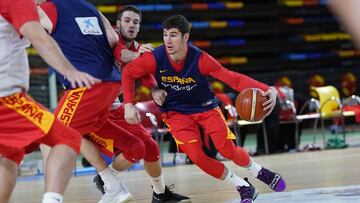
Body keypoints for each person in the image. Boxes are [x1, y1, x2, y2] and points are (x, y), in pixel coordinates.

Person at [122, 15, 287, 203]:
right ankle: (242, 186)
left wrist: (267, 89)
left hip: (205, 109)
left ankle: (260, 172)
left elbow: (234, 79)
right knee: (197, 157)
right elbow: (128, 73)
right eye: (165, 34)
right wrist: (129, 104)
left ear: (185, 38)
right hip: (175, 113)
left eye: (173, 35)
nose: (168, 40)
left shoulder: (200, 59)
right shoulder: (155, 58)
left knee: (227, 150)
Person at [35, 0, 145, 202]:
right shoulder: (88, 6)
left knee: (49, 137)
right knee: (81, 133)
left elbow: (23, 30)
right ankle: (112, 185)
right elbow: (113, 38)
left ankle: (51, 199)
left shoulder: (47, 9)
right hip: (111, 84)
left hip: (86, 84)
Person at [0, 0, 100, 202]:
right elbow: (38, 37)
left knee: (8, 156)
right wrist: (69, 70)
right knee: (68, 138)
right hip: (6, 98)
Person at [93, 5, 190, 203]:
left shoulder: (137, 48)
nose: (131, 25)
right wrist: (140, 56)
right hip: (94, 107)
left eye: (136, 22)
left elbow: (145, 74)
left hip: (114, 104)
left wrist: (155, 90)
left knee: (152, 148)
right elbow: (121, 54)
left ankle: (160, 193)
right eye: (127, 21)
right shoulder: (111, 38)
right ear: (118, 24)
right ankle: (105, 178)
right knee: (136, 149)